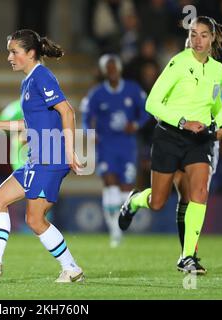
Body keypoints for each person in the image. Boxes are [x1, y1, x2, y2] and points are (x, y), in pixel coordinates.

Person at [118, 16, 222, 273]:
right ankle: (134, 201)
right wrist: (183, 122)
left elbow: (214, 104)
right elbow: (152, 104)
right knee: (157, 202)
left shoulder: (218, 70)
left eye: (203, 35)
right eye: (193, 34)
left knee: (198, 192)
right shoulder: (178, 63)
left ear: (212, 38)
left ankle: (187, 257)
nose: (197, 40)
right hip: (169, 136)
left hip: (198, 141)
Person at [0, 29, 85, 283]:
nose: (9, 57)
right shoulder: (28, 81)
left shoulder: (42, 76)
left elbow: (67, 112)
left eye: (14, 52)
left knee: (35, 220)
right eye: (9, 52)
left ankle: (71, 268)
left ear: (31, 53)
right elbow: (31, 125)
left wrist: (69, 150)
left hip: (50, 156)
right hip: (37, 157)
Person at [173, 38, 222, 275]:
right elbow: (161, 104)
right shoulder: (177, 69)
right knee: (183, 195)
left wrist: (221, 130)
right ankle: (188, 255)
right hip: (177, 140)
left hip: (205, 143)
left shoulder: (215, 74)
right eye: (189, 43)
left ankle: (188, 254)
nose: (193, 47)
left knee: (195, 195)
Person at [81, 54, 149, 247]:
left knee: (125, 189)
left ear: (119, 69)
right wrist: (90, 133)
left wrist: (135, 125)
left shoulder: (133, 90)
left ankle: (118, 224)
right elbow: (86, 118)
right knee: (110, 183)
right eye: (107, 68)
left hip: (127, 145)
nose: (111, 71)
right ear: (104, 72)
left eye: (113, 68)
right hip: (106, 145)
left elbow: (147, 111)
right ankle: (115, 231)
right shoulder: (96, 94)